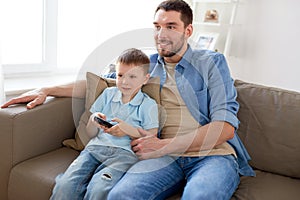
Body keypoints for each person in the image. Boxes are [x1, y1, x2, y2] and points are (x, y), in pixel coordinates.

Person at [1, 0, 255, 199]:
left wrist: (165, 145)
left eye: (171, 26)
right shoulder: (147, 65)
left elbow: (224, 126)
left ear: (188, 30)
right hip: (162, 157)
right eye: (157, 26)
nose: (161, 34)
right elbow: (100, 83)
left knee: (202, 195)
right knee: (122, 194)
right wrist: (48, 89)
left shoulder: (211, 63)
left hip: (210, 154)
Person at [50, 48, 159, 200]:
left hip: (124, 155)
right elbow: (91, 134)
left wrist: (128, 130)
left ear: (145, 79)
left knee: (100, 189)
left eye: (132, 76)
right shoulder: (108, 94)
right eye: (121, 75)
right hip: (94, 149)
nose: (125, 81)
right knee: (65, 185)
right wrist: (94, 119)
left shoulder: (148, 104)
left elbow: (152, 137)